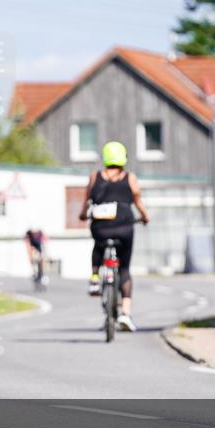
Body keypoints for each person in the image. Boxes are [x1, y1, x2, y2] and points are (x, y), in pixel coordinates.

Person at [78, 141, 150, 332]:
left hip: (101, 227)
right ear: (124, 158)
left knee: (98, 246)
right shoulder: (129, 177)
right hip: (125, 226)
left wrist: (83, 215)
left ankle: (94, 278)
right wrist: (145, 217)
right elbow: (137, 200)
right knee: (124, 268)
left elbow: (86, 202)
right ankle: (125, 313)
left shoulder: (95, 177)